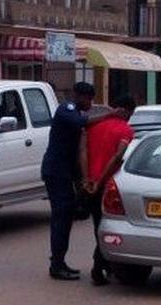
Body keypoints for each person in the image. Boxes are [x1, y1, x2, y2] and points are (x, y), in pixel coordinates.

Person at [41, 82, 124, 281]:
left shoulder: (75, 113)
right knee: (61, 217)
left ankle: (59, 262)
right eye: (88, 99)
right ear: (78, 96)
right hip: (56, 172)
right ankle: (57, 264)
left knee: (67, 215)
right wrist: (110, 115)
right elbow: (83, 122)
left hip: (67, 173)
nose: (90, 103)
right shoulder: (66, 109)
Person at [80, 95, 136, 286]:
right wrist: (100, 181)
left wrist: (87, 178)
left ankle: (106, 266)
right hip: (106, 184)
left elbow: (83, 152)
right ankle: (98, 268)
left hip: (89, 183)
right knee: (107, 227)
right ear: (128, 112)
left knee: (98, 226)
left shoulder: (94, 126)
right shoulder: (126, 130)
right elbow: (117, 155)